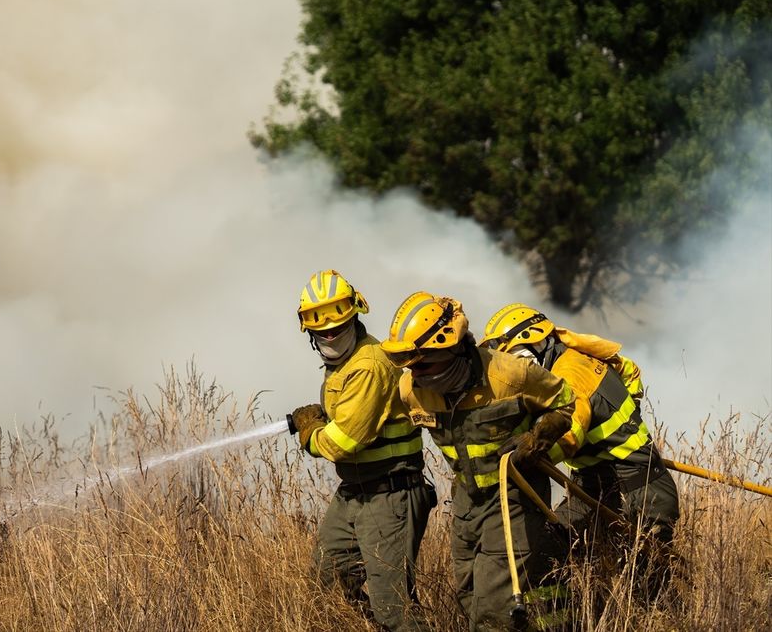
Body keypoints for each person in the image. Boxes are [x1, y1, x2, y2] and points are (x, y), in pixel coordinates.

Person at [382, 291, 587, 631]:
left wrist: (540, 436)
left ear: (450, 348)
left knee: (491, 610)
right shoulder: (410, 389)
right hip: (466, 499)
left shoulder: (509, 375)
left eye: (422, 363)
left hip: (514, 496)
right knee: (470, 595)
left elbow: (564, 400)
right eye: (408, 365)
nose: (415, 373)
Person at [482, 303, 679, 598]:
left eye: (520, 360)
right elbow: (629, 370)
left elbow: (570, 431)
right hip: (596, 487)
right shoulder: (578, 355)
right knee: (546, 558)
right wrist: (623, 419)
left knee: (644, 592)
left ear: (540, 342)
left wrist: (535, 448)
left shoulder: (570, 374)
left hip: (640, 494)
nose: (520, 372)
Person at [289, 270, 435, 631]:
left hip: (391, 491)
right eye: (320, 329)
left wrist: (310, 431)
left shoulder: (368, 365)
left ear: (355, 316)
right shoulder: (342, 364)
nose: (329, 334)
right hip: (357, 491)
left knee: (395, 608)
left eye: (337, 326)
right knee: (329, 585)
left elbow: (343, 443)